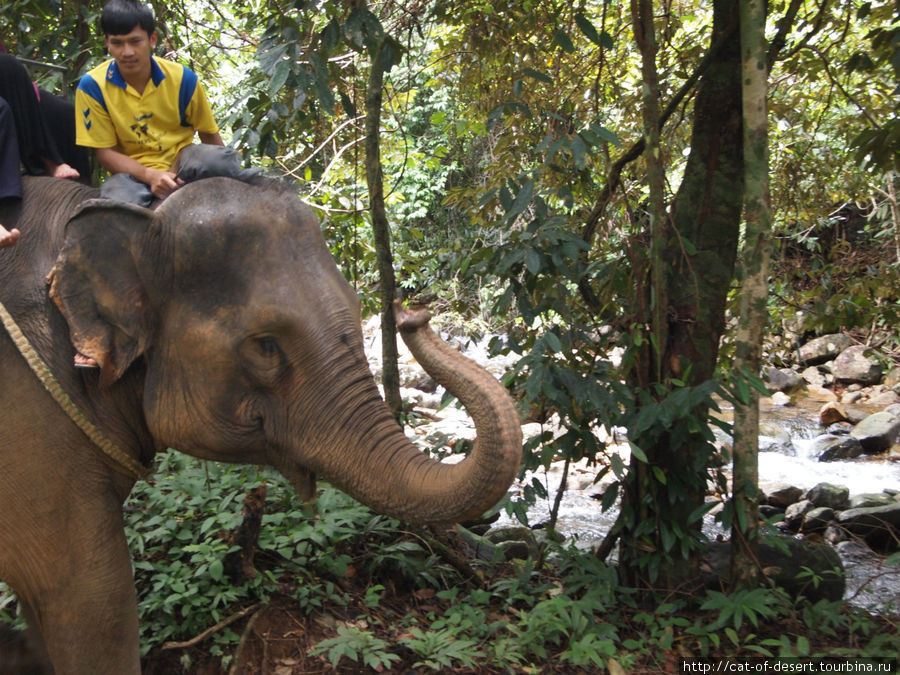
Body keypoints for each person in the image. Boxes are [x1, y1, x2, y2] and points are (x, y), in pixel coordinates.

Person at [75, 0, 238, 207]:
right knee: (115, 208)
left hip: (183, 162)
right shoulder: (92, 87)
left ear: (152, 39)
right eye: (117, 43)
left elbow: (208, 133)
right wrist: (149, 175)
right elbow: (106, 154)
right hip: (131, 174)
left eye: (135, 41)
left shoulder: (183, 79)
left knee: (222, 160)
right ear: (107, 42)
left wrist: (229, 177)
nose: (127, 52)